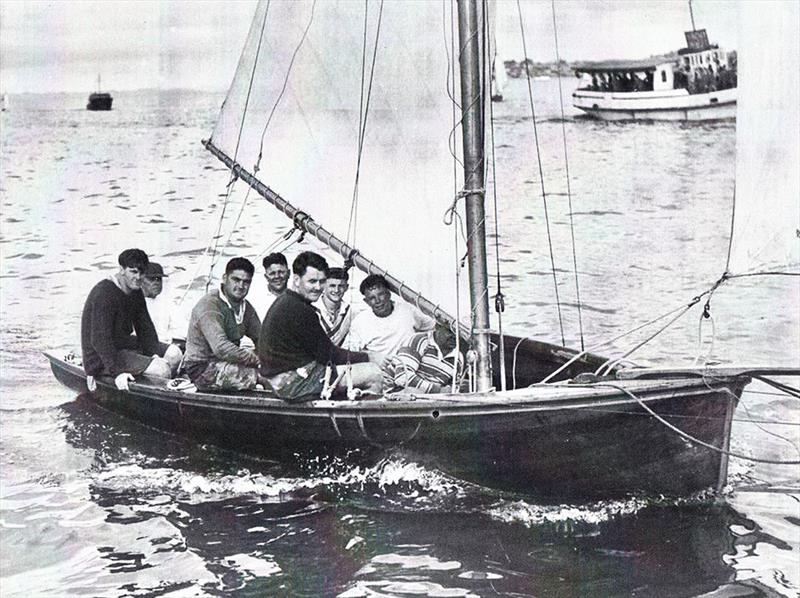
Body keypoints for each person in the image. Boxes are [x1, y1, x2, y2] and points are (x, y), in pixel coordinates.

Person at [258, 251, 382, 401]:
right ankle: (364, 421)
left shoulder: (286, 301)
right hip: (292, 383)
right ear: (297, 280)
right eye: (312, 281)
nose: (318, 287)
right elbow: (329, 355)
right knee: (374, 373)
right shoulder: (300, 310)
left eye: (322, 281)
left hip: (281, 378)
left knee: (355, 370)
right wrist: (370, 357)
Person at [81, 248, 172, 391]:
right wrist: (117, 373)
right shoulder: (104, 293)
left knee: (174, 354)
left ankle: (147, 378)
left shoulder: (135, 292)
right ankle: (150, 394)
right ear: (121, 270)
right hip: (100, 357)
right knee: (162, 370)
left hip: (123, 346)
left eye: (142, 272)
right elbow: (99, 340)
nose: (138, 277)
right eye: (133, 272)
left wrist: (154, 353)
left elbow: (145, 328)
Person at [182, 257, 268, 391]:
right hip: (202, 368)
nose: (240, 286)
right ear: (224, 278)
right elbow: (221, 348)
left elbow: (262, 338)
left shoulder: (245, 307)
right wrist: (256, 360)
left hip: (227, 361)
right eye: (236, 280)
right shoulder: (210, 305)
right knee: (265, 378)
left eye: (246, 282)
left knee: (273, 370)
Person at [348, 274, 435, 360]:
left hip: (410, 364)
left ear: (389, 294)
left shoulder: (408, 310)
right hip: (380, 370)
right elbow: (349, 352)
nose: (378, 301)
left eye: (381, 294)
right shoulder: (360, 322)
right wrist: (371, 356)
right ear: (366, 301)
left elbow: (433, 325)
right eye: (372, 298)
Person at [383, 323, 464, 394]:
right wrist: (437, 390)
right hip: (396, 393)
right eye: (450, 331)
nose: (455, 336)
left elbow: (453, 388)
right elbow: (402, 377)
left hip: (431, 400)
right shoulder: (419, 340)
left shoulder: (458, 357)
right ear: (438, 327)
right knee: (413, 391)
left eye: (460, 332)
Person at [141, 261, 183, 373]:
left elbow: (179, 330)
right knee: (172, 355)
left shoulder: (167, 303)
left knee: (176, 353)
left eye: (159, 279)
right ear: (141, 281)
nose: (156, 283)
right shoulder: (133, 303)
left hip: (165, 348)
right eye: (151, 279)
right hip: (143, 349)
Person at [317, 266, 352, 345]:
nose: (336, 290)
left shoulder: (350, 312)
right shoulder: (310, 310)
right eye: (332, 286)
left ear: (346, 287)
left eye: (341, 286)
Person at [250, 252, 290, 320]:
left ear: (289, 273)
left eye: (281, 272)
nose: (277, 276)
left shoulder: (298, 299)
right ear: (266, 277)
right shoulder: (256, 303)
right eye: (272, 273)